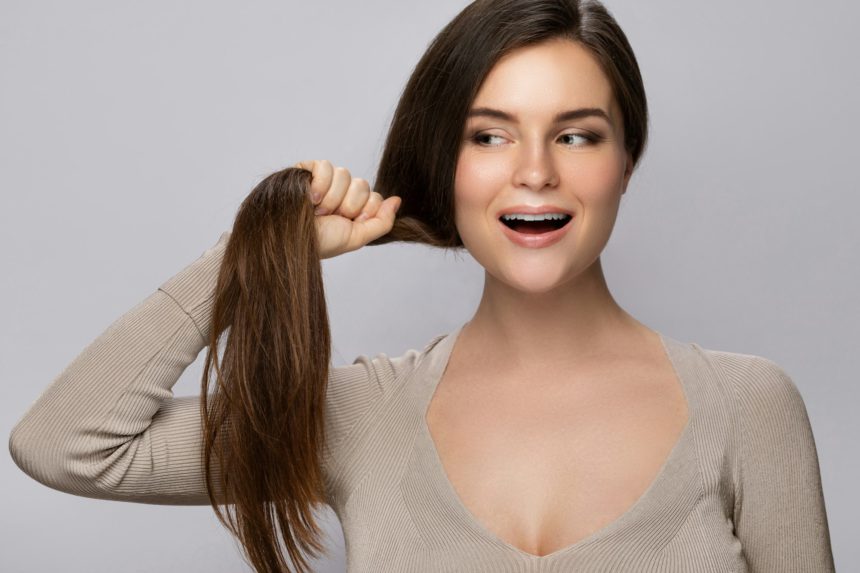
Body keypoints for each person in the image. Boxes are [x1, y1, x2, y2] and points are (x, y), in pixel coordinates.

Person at [8, 0, 835, 571]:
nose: (536, 173)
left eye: (577, 135)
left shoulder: (748, 406)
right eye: (490, 136)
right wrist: (258, 254)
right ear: (446, 163)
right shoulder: (361, 417)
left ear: (627, 161)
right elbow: (68, 444)